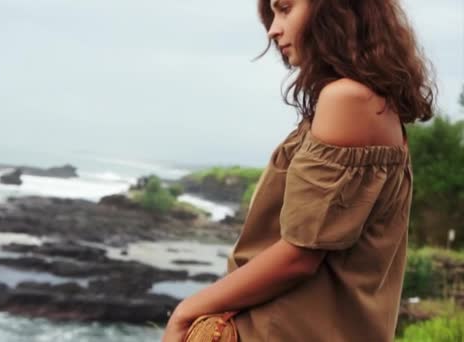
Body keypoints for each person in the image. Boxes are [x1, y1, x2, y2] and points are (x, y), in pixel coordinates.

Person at [162, 0, 436, 341]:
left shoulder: (348, 100)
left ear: (335, 9)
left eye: (286, 9)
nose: (273, 29)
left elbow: (299, 255)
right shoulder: (360, 102)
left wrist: (187, 310)